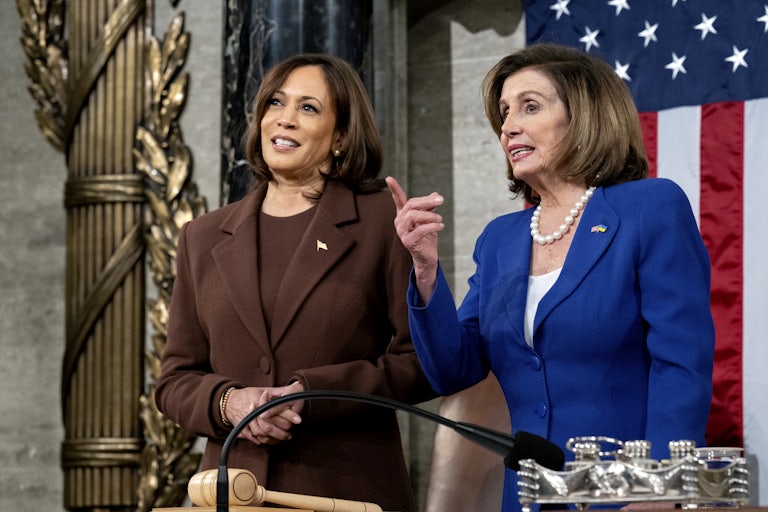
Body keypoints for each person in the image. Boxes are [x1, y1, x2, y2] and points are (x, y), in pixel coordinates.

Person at [386, 42, 715, 512]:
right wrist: (424, 270)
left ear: (582, 116)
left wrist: (660, 486)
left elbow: (682, 363)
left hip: (629, 495)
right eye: (503, 113)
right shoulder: (500, 239)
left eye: (530, 106)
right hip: (528, 497)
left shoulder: (650, 208)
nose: (508, 126)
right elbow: (451, 369)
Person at [155, 53, 435, 512]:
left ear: (341, 136)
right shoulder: (202, 237)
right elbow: (174, 380)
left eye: (308, 108)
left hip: (346, 489)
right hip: (235, 490)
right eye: (275, 104)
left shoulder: (383, 221)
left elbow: (422, 363)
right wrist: (228, 403)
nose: (284, 119)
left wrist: (313, 394)